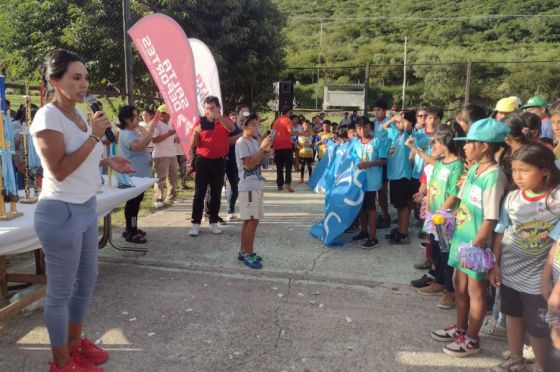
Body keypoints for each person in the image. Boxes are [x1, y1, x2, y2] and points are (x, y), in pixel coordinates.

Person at [31, 49, 134, 372]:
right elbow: (59, 169)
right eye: (76, 78)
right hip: (60, 211)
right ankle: (61, 362)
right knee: (60, 291)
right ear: (54, 81)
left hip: (86, 207)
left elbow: (80, 154)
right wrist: (92, 136)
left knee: (87, 279)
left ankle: (75, 345)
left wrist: (106, 160)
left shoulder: (77, 115)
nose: (84, 84)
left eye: (85, 77)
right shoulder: (48, 117)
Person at [431, 118, 509, 357]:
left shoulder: (494, 176)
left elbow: (491, 218)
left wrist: (476, 245)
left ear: (485, 145)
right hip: (462, 239)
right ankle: (461, 328)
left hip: (476, 245)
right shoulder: (474, 168)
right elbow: (462, 199)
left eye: (469, 143)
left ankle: (472, 339)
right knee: (459, 286)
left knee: (476, 291)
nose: (464, 147)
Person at [489, 144, 560, 372]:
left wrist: (548, 277)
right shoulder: (512, 199)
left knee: (538, 327)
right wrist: (495, 264)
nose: (517, 177)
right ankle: (516, 358)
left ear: (545, 170)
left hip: (537, 277)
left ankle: (541, 365)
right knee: (512, 315)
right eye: (514, 170)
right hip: (509, 271)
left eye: (524, 170)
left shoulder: (556, 198)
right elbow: (500, 232)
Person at [407, 124, 466, 310]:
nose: (432, 146)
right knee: (437, 252)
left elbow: (454, 193)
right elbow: (429, 161)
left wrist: (440, 214)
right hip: (434, 218)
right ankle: (439, 282)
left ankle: (450, 291)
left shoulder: (456, 165)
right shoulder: (441, 162)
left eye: (435, 142)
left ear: (446, 143)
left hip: (444, 219)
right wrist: (414, 149)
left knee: (446, 254)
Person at [189, 96, 235, 236]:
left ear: (218, 107)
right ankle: (195, 223)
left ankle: (213, 222)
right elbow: (193, 144)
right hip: (202, 161)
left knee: (215, 194)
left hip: (219, 161)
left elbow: (232, 128)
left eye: (212, 108)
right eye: (207, 108)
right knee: (199, 193)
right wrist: (196, 133)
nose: (209, 111)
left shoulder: (224, 120)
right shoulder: (199, 121)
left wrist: (219, 117)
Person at [235, 113, 272, 269]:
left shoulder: (255, 141)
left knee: (249, 220)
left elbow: (261, 163)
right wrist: (261, 149)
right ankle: (248, 254)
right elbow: (249, 164)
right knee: (252, 220)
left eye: (258, 125)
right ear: (244, 126)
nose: (257, 127)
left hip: (255, 184)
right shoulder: (241, 142)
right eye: (253, 125)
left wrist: (266, 152)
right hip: (248, 186)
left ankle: (244, 251)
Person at [117, 105, 156, 243]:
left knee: (136, 203)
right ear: (127, 119)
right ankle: (131, 231)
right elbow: (138, 147)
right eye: (135, 115)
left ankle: (131, 228)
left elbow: (142, 145)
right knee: (133, 204)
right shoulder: (127, 134)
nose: (138, 117)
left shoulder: (133, 132)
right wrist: (150, 133)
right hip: (134, 177)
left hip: (139, 176)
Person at [350, 116, 388, 249]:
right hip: (359, 181)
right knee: (362, 207)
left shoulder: (377, 141)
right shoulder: (355, 143)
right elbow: (351, 159)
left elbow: (384, 160)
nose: (362, 130)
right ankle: (364, 231)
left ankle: (373, 237)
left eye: (365, 127)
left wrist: (369, 164)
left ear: (370, 127)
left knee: (371, 207)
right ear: (356, 129)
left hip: (372, 181)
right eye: (359, 128)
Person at [383, 111, 418, 245]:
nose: (398, 124)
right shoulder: (394, 133)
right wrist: (393, 119)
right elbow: (386, 126)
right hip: (394, 175)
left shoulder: (408, 135)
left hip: (402, 175)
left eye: (400, 122)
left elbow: (408, 126)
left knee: (403, 206)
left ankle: (403, 234)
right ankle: (400, 230)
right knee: (399, 205)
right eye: (397, 122)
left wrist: (402, 119)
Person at [151, 104, 177, 208]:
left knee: (173, 177)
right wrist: (169, 134)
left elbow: (170, 137)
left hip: (172, 153)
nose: (170, 115)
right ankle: (157, 199)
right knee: (160, 178)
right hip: (161, 154)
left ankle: (171, 198)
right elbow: (154, 139)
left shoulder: (170, 123)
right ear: (162, 114)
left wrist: (175, 139)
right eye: (168, 113)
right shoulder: (157, 124)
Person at [371, 100, 392, 229]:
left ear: (385, 110)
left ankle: (385, 216)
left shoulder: (389, 123)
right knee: (374, 190)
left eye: (379, 109)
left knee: (382, 191)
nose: (376, 112)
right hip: (374, 160)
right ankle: (379, 214)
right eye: (374, 110)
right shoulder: (373, 123)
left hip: (385, 160)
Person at [271, 105, 302, 192]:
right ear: (288, 112)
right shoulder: (288, 120)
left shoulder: (276, 121)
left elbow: (273, 134)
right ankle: (288, 184)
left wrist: (272, 146)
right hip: (286, 146)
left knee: (279, 167)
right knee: (288, 167)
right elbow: (290, 132)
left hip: (277, 146)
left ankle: (279, 185)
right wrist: (301, 133)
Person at [223, 105, 245, 221]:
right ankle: (210, 215)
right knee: (214, 189)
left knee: (235, 187)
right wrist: (243, 134)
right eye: (231, 117)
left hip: (235, 160)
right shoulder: (226, 126)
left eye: (235, 117)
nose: (233, 119)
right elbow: (227, 142)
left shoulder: (240, 128)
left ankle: (230, 211)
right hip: (223, 159)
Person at [297, 119, 314, 183]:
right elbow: (296, 141)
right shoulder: (299, 133)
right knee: (302, 165)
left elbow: (315, 142)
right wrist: (298, 145)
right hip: (302, 152)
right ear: (302, 125)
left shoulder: (312, 133)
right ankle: (301, 178)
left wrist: (313, 144)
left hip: (309, 152)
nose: (306, 126)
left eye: (308, 125)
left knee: (309, 165)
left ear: (310, 125)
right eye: (305, 125)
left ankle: (310, 178)